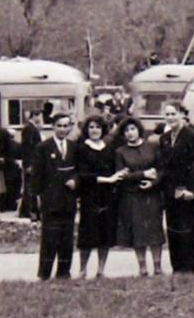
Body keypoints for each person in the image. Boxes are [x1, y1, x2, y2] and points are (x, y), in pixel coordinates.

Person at [158, 103, 194, 276]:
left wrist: (189, 188)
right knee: (173, 229)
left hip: (188, 191)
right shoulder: (164, 138)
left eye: (173, 114)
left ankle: (188, 268)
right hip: (171, 191)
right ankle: (176, 268)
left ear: (182, 115)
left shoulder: (193, 136)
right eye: (167, 114)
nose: (170, 118)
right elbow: (164, 165)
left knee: (188, 230)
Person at [32, 113, 80, 281]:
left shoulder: (74, 147)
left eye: (66, 126)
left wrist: (75, 181)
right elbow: (36, 177)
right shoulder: (43, 147)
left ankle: (64, 272)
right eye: (59, 125)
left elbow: (79, 170)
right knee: (49, 238)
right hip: (50, 200)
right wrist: (37, 201)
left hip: (68, 199)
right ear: (53, 126)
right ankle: (44, 273)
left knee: (67, 238)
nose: (62, 129)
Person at [114, 117, 164, 276]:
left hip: (152, 194)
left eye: (132, 129)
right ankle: (142, 266)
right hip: (132, 195)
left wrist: (153, 183)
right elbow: (121, 175)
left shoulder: (152, 147)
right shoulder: (120, 152)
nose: (130, 133)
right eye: (126, 131)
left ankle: (157, 266)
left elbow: (161, 169)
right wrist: (143, 174)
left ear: (139, 130)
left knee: (155, 230)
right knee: (138, 232)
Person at [74, 115, 118, 277]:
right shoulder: (81, 148)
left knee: (105, 233)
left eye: (98, 127)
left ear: (103, 129)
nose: (94, 130)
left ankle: (101, 269)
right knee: (87, 234)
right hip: (90, 195)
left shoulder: (109, 148)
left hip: (107, 196)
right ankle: (82, 269)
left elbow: (114, 169)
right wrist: (108, 179)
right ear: (86, 130)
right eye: (91, 127)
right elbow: (83, 175)